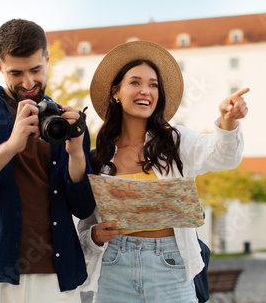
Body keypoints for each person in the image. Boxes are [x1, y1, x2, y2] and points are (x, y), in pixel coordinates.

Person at [77, 40, 248, 302]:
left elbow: (223, 155)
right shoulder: (98, 156)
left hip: (170, 266)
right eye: (135, 82)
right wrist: (95, 237)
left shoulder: (175, 142)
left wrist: (228, 119)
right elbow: (84, 230)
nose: (145, 90)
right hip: (114, 267)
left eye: (153, 85)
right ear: (116, 92)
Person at [0, 19, 96, 303]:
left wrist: (76, 153)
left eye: (36, 69)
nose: (28, 82)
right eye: (16, 72)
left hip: (55, 276)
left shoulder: (66, 123)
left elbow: (84, 207)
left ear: (47, 59)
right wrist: (10, 147)